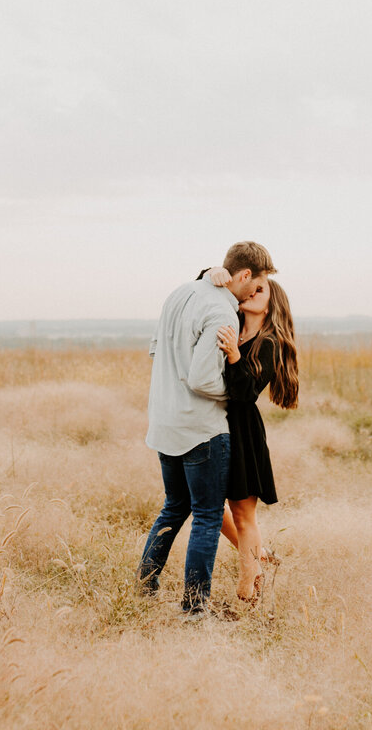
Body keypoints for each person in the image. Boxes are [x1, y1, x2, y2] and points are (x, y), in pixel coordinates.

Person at [138, 241, 277, 615]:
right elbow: (202, 380)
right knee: (207, 517)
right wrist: (232, 393)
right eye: (257, 284)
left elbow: (156, 350)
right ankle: (195, 608)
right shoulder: (223, 313)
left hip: (165, 423)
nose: (254, 293)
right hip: (201, 429)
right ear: (245, 275)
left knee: (173, 508)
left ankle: (143, 588)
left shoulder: (180, 292)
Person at [203, 269, 299, 602]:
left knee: (243, 514)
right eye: (252, 286)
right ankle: (261, 555)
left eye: (262, 289)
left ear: (273, 305)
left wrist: (233, 355)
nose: (252, 291)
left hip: (243, 432)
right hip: (213, 424)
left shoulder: (269, 342)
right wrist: (209, 272)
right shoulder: (232, 324)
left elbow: (245, 393)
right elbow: (208, 289)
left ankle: (249, 594)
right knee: (209, 507)